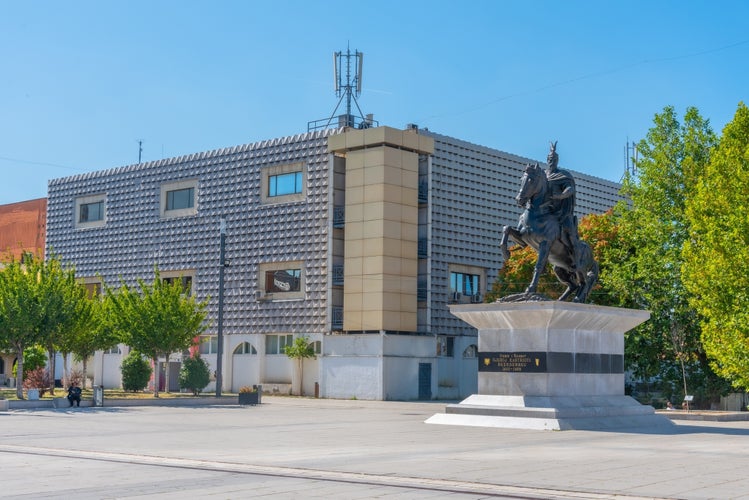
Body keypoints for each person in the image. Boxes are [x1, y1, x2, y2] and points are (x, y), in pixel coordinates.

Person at [545, 141, 580, 267]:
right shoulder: (543, 175)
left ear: (557, 160)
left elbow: (570, 189)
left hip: (561, 212)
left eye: (554, 159)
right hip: (546, 211)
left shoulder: (562, 175)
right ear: (547, 159)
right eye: (550, 158)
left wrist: (560, 196)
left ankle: (577, 259)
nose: (551, 161)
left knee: (570, 233)